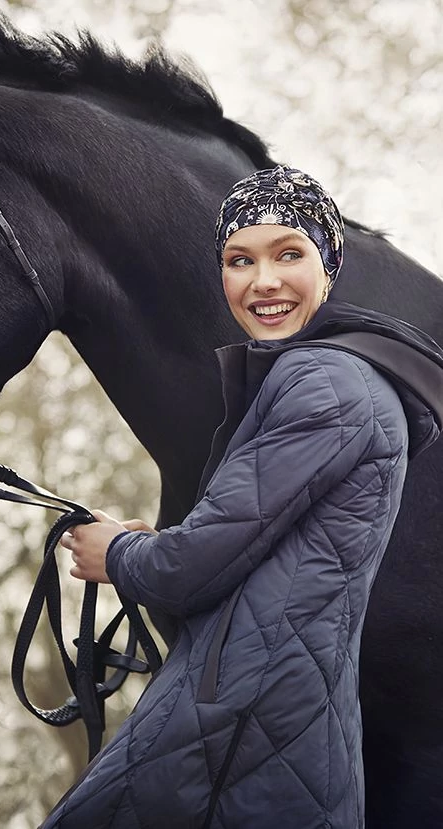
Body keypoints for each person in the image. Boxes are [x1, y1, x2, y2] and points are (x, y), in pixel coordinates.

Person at [41, 166, 443, 829]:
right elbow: (245, 555)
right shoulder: (331, 378)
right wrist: (145, 542)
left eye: (290, 253)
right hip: (254, 729)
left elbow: (192, 567)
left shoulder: (325, 381)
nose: (264, 280)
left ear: (329, 265)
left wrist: (119, 557)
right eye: (240, 259)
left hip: (236, 734)